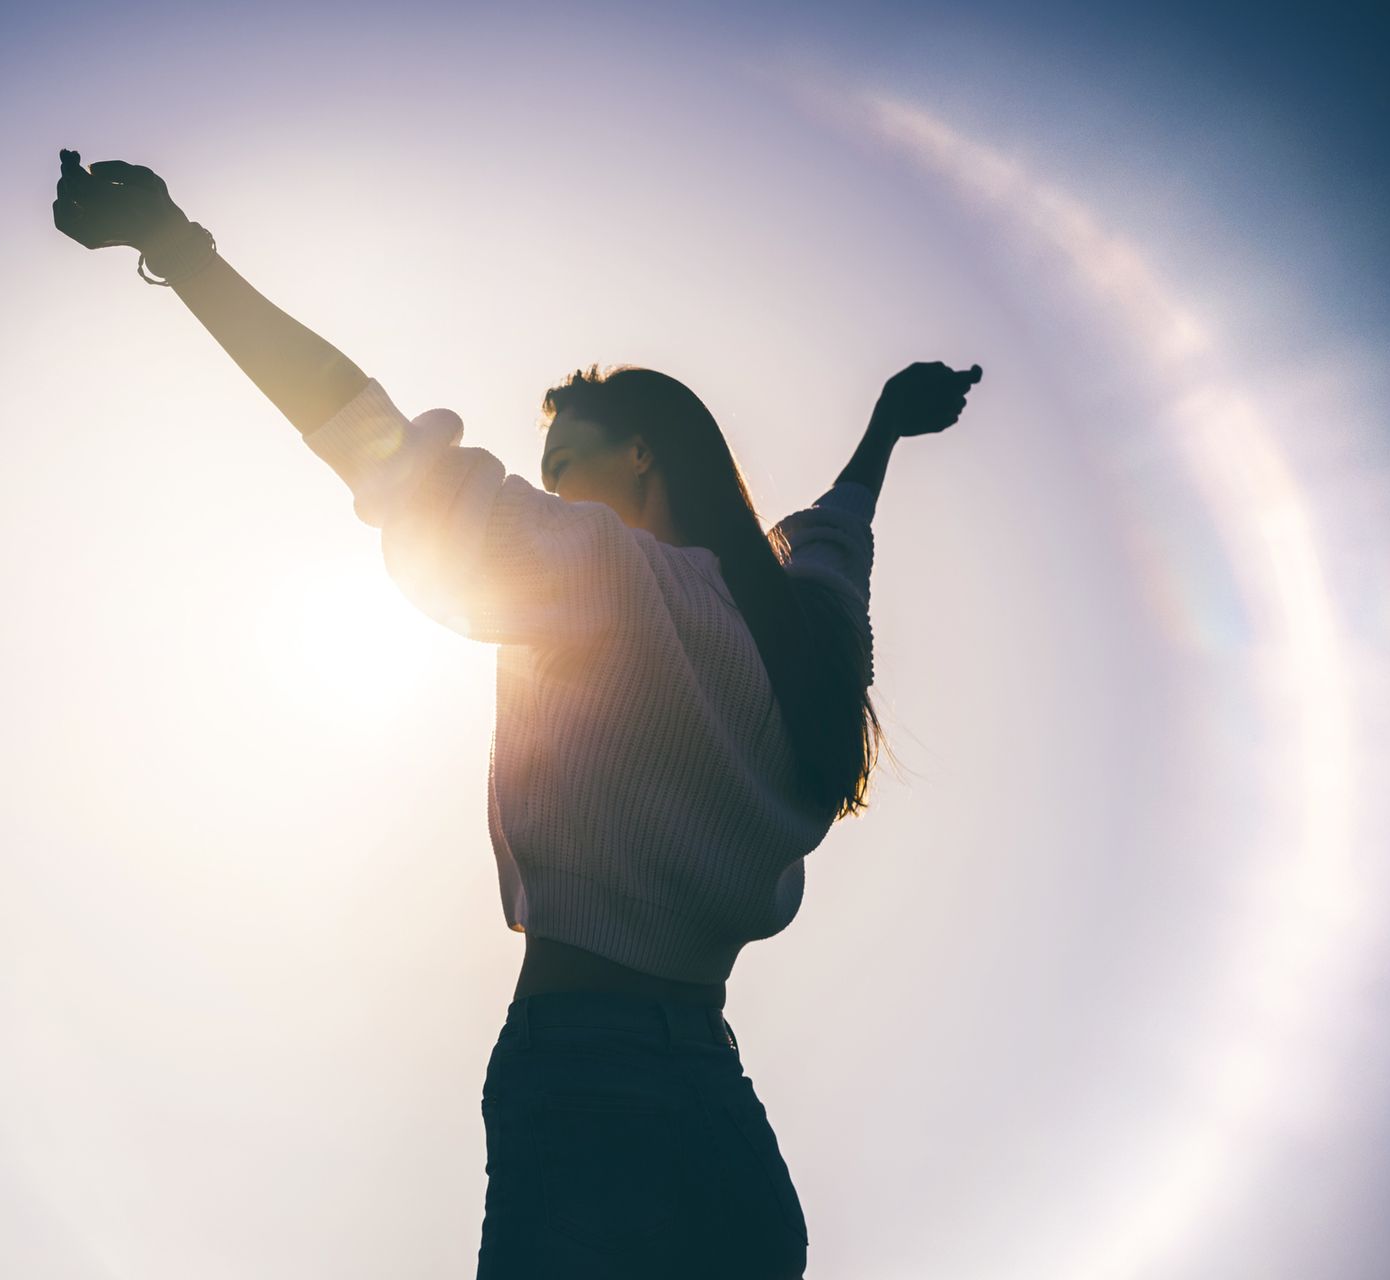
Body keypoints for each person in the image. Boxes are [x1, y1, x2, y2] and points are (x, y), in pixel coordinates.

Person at [53, 149, 982, 1278]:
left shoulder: (600, 571)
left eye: (563, 460)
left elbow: (372, 439)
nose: (546, 489)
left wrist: (178, 250)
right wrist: (887, 424)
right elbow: (840, 527)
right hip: (726, 1128)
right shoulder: (805, 641)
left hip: (588, 1086)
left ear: (640, 454)